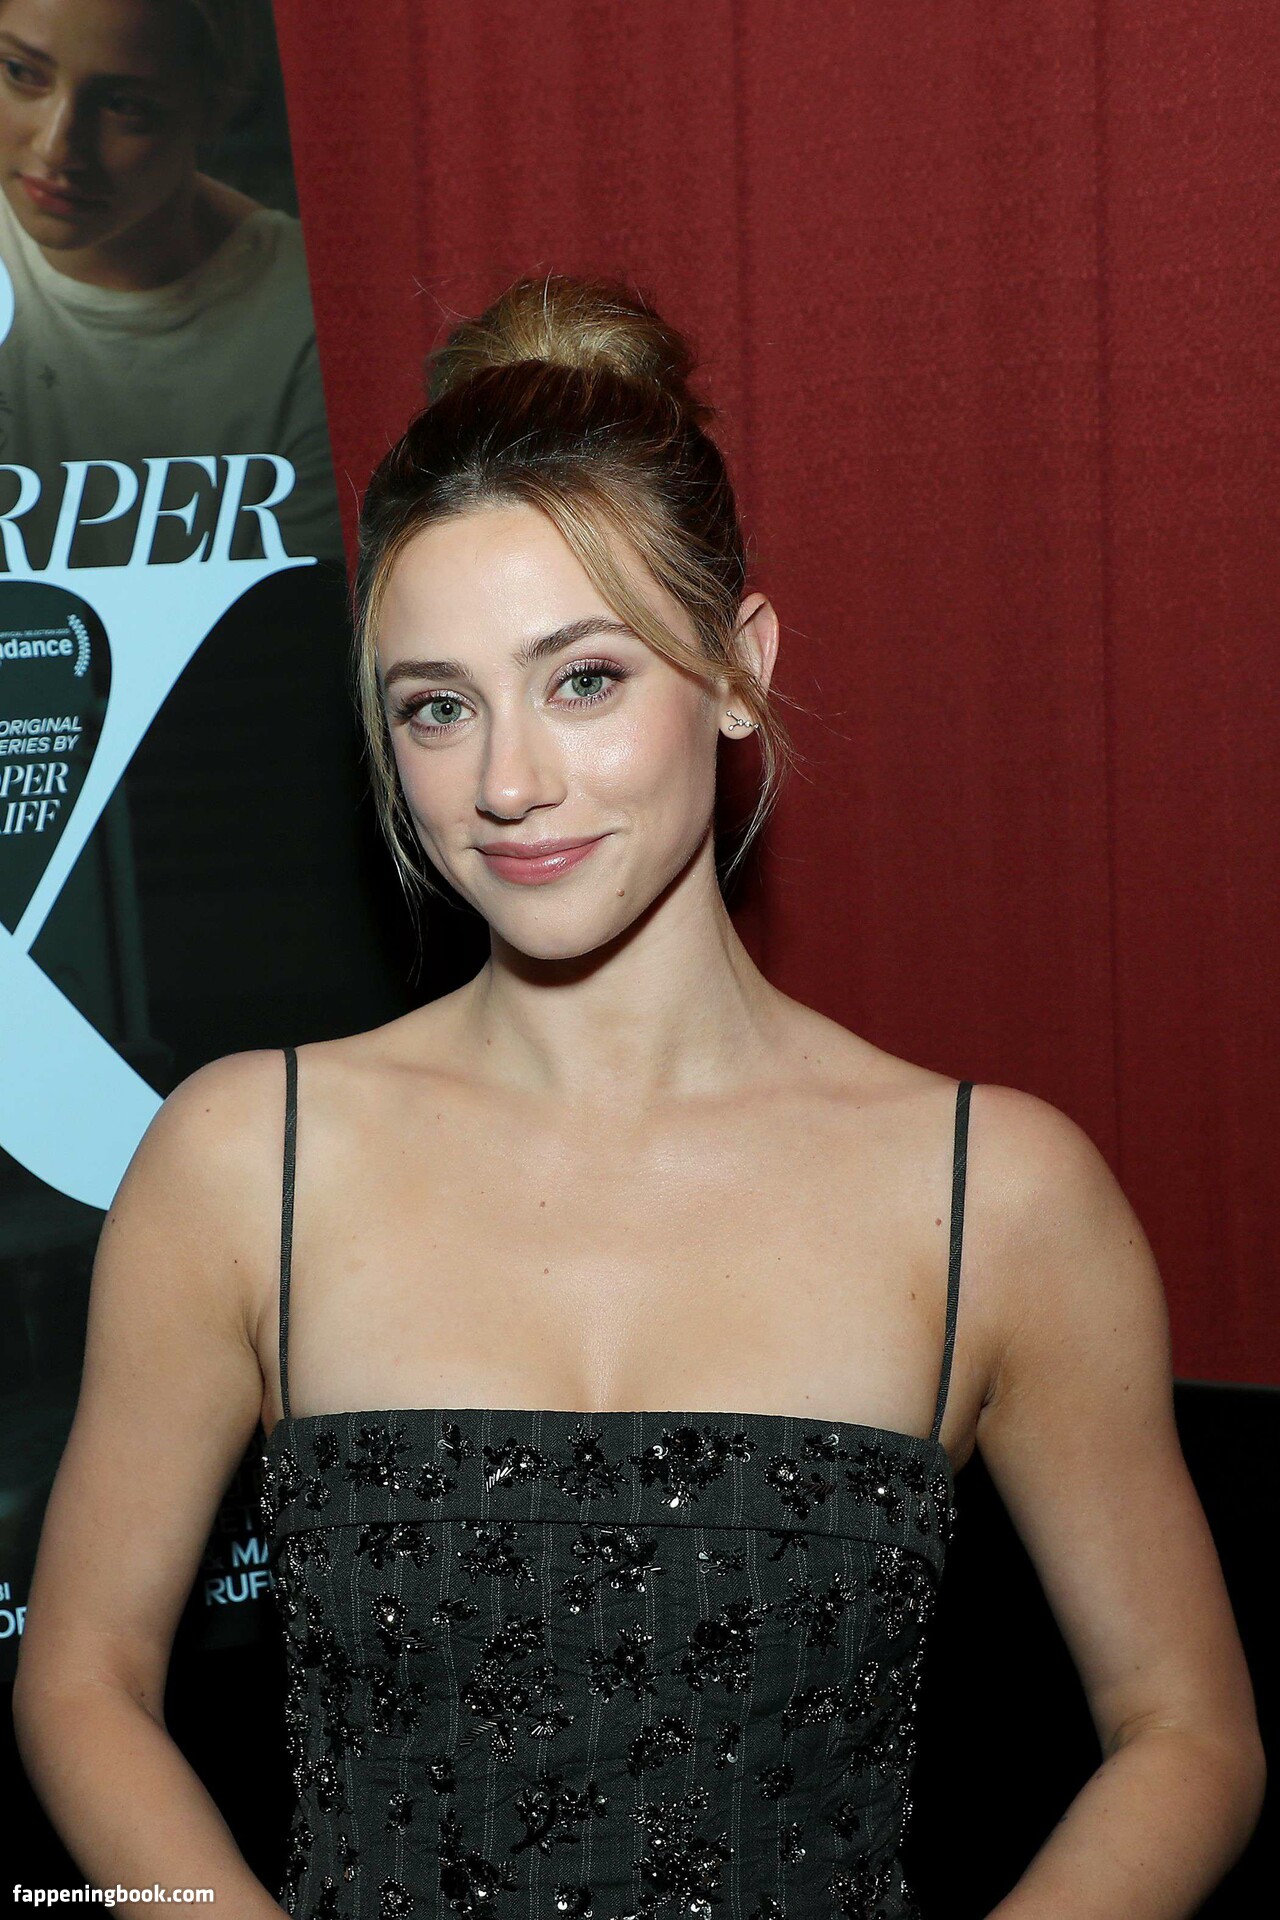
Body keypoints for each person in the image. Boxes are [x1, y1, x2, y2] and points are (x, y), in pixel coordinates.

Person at [11, 275, 1264, 1917]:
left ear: (738, 670)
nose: (507, 781)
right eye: (438, 707)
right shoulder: (248, 1161)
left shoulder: (994, 1195)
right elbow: (83, 1676)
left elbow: (1188, 1732)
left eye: (583, 679)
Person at [0, 0, 342, 567]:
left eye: (123, 105)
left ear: (214, 109)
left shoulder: (307, 320)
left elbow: (295, 609)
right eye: (20, 72)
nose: (56, 147)